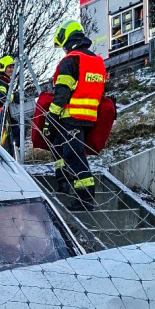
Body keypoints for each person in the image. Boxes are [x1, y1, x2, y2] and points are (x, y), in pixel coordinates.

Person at [44, 20, 106, 209]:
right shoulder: (96, 61)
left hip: (70, 117)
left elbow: (62, 93)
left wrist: (51, 118)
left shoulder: (71, 60)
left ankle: (85, 200)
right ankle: (63, 183)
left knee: (74, 157)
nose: (63, 51)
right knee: (59, 147)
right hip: (88, 118)